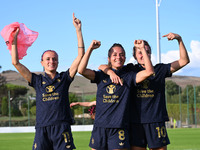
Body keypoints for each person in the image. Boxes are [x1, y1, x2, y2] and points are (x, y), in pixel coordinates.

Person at [99, 33, 190, 150]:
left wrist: (179, 39)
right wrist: (110, 72)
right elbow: (103, 66)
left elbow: (184, 60)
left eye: (147, 51)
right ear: (135, 56)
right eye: (140, 52)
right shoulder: (130, 70)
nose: (143, 54)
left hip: (156, 121)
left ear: (150, 54)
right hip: (135, 123)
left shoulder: (160, 70)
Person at [11, 13, 85, 150]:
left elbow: (80, 55)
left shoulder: (64, 78)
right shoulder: (37, 80)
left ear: (58, 62)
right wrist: (14, 41)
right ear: (42, 63)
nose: (51, 61)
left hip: (62, 127)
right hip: (42, 129)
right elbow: (15, 62)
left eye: (54, 59)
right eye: (48, 59)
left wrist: (78, 30)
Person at [78, 40, 154, 150]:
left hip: (119, 128)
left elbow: (149, 72)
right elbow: (81, 70)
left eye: (121, 54)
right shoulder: (101, 76)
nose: (118, 57)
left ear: (125, 58)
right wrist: (90, 48)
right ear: (109, 59)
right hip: (100, 127)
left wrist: (142, 48)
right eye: (115, 55)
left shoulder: (129, 76)